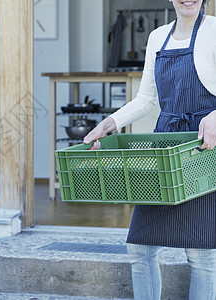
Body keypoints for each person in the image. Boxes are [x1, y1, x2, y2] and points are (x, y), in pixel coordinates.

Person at [84, 0, 216, 299]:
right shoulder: (157, 37)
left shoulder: (215, 30)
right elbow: (146, 99)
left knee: (201, 253)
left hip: (202, 150)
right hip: (164, 149)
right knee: (140, 247)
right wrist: (108, 124)